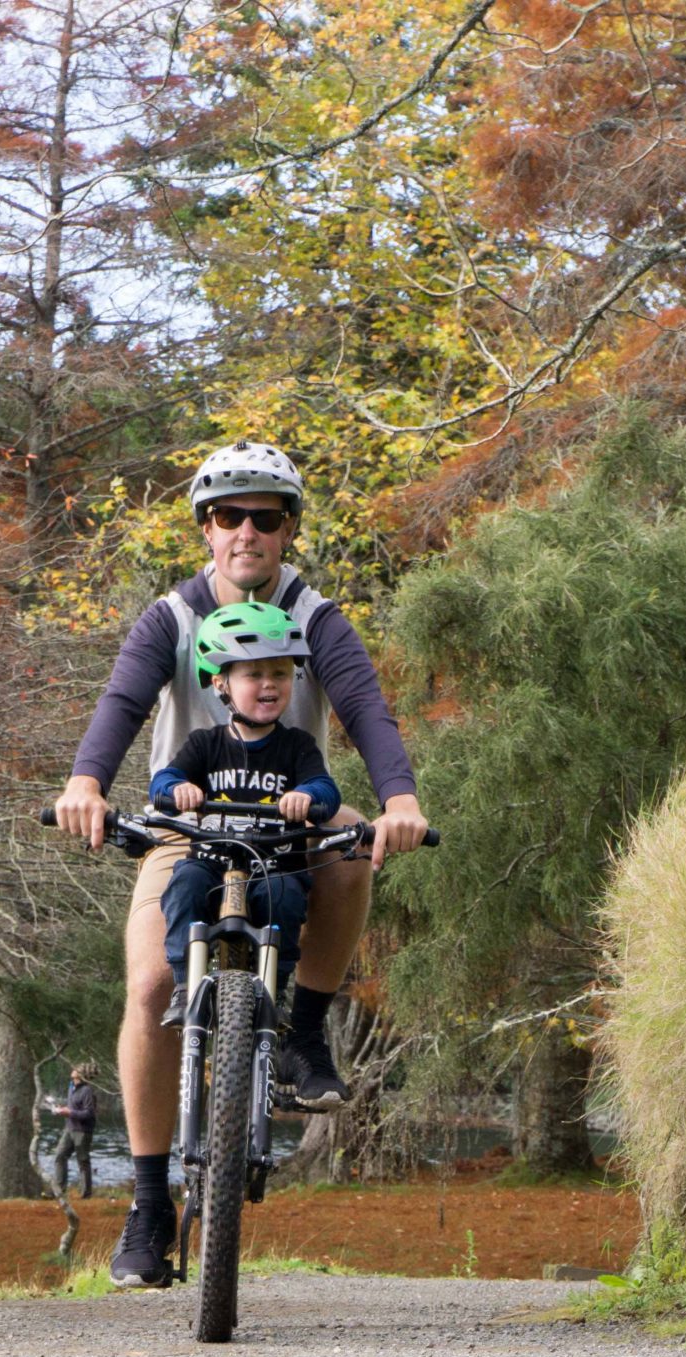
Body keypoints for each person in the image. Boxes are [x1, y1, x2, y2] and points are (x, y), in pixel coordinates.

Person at [50, 441, 430, 1290]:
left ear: (289, 528)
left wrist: (398, 798)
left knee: (355, 848)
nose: (246, 531)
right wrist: (85, 783)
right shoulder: (171, 619)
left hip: (293, 821)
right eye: (228, 516)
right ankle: (150, 1208)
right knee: (149, 989)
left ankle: (302, 1031)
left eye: (265, 515)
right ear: (206, 530)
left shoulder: (318, 619)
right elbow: (122, 701)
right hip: (189, 830)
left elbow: (365, 706)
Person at [149, 602, 338, 1026]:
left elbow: (327, 790)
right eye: (253, 674)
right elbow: (162, 783)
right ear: (221, 682)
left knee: (287, 899)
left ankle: (277, 987)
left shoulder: (297, 747)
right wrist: (177, 789)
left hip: (274, 866)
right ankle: (185, 984)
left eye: (280, 673)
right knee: (184, 886)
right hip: (211, 864)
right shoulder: (204, 745)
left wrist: (306, 796)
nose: (268, 684)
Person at [54, 1064, 99, 1199]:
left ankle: (86, 1194)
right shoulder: (71, 1087)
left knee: (82, 1161)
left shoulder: (87, 1091)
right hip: (69, 1129)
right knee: (60, 1156)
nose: (73, 1070)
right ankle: (60, 1191)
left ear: (81, 1075)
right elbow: (73, 1108)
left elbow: (89, 1114)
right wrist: (62, 1109)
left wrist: (70, 1112)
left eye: (77, 1069)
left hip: (81, 1131)